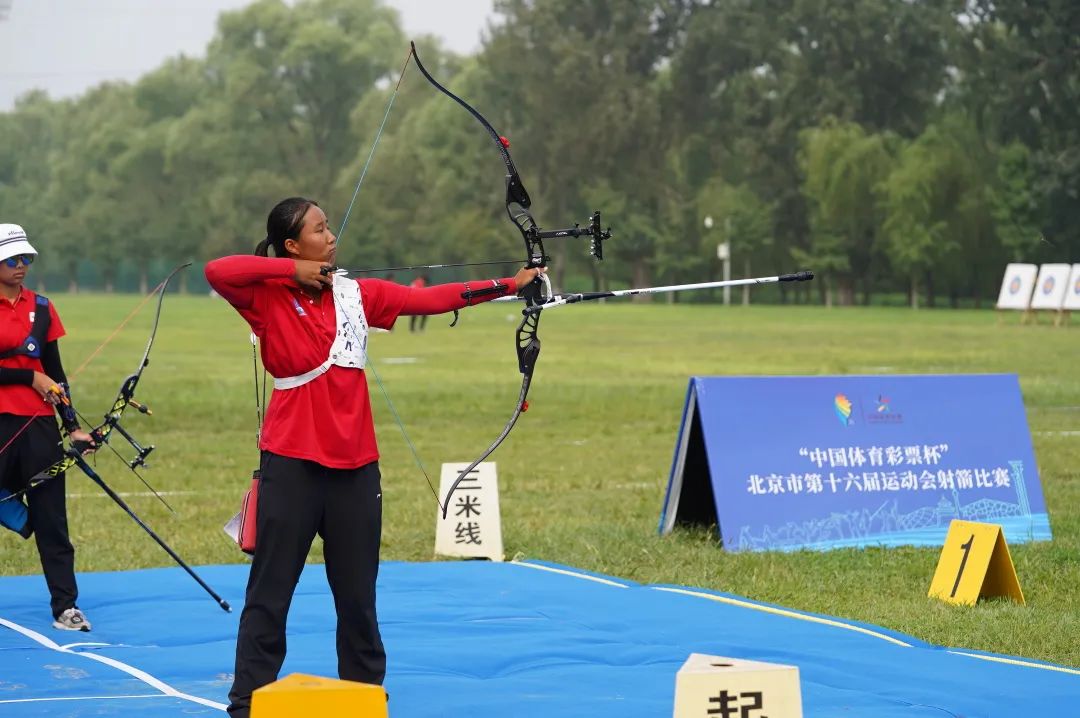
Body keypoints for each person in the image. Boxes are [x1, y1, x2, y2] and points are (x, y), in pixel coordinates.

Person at [204, 197, 543, 718]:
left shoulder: (355, 295)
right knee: (270, 592)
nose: (332, 235)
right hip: (291, 465)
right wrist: (290, 271)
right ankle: (247, 702)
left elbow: (429, 301)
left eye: (329, 227)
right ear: (294, 245)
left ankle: (364, 696)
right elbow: (218, 269)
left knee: (358, 596)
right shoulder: (266, 297)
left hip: (356, 469)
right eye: (319, 230)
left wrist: (511, 284)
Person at [0, 223, 97, 632]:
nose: (22, 265)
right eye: (12, 259)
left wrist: (72, 426)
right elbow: (36, 376)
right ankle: (15, 516)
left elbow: (55, 373)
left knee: (52, 519)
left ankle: (66, 607)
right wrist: (28, 379)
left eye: (27, 258)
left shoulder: (42, 306)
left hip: (40, 427)